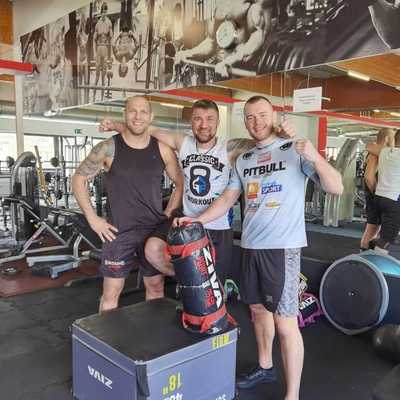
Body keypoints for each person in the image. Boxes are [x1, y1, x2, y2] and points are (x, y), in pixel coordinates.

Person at [175, 96, 343, 400]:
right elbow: (226, 199)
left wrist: (315, 156)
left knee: (285, 321)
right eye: (250, 117)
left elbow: (336, 187)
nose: (256, 122)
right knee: (257, 310)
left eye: (262, 115)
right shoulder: (244, 160)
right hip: (250, 246)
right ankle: (265, 366)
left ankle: (292, 395)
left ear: (274, 115)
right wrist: (195, 219)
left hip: (282, 248)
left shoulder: (294, 149)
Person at [100, 99, 295, 288]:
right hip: (187, 222)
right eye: (198, 119)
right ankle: (191, 279)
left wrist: (282, 134)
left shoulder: (229, 148)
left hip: (217, 227)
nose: (203, 125)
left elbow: (264, 140)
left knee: (215, 287)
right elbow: (145, 129)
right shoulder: (182, 142)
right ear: (191, 122)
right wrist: (115, 125)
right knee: (152, 250)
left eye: (210, 119)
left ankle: (207, 288)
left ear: (217, 123)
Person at [71, 96, 184, 312]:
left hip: (152, 230)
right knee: (111, 292)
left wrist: (167, 215)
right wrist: (93, 219)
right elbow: (78, 179)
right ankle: (105, 341)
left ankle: (154, 339)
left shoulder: (162, 149)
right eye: (132, 111)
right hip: (118, 231)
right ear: (125, 114)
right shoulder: (107, 148)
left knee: (155, 285)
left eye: (143, 112)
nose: (138, 116)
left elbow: (180, 183)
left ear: (151, 117)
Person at [173, 0, 274, 80]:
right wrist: (189, 53)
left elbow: (257, 37)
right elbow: (212, 42)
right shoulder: (220, 6)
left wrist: (231, 60)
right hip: (219, 70)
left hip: (241, 71)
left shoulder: (251, 4)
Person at [366, 129, 400, 254]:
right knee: (386, 239)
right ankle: (373, 267)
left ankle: (370, 252)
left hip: (379, 198)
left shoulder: (385, 152)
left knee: (381, 234)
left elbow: (369, 146)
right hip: (393, 201)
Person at [360, 128, 394, 251]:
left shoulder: (380, 154)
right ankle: (363, 259)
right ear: (386, 139)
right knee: (372, 230)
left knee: (374, 229)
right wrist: (377, 193)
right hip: (374, 196)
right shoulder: (375, 155)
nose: (394, 142)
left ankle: (366, 258)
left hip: (376, 195)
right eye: (393, 138)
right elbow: (368, 177)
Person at [93, 2, 113, 102]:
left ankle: (101, 98)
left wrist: (111, 54)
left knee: (104, 74)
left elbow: (111, 38)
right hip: (99, 48)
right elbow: (94, 39)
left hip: (105, 48)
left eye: (105, 11)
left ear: (107, 11)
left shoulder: (109, 23)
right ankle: (93, 96)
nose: (104, 13)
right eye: (103, 11)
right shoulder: (98, 23)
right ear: (101, 12)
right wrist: (93, 51)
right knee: (97, 72)